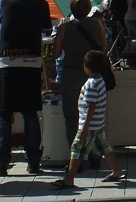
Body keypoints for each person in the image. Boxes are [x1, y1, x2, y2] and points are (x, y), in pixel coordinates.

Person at [0, 0, 51, 176]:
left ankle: (1, 164)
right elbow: (46, 27)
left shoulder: (7, 2)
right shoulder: (41, 5)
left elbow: (1, 20)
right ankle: (33, 162)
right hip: (31, 64)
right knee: (30, 113)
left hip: (7, 64)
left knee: (3, 115)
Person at [51, 50, 124, 189]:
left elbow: (91, 107)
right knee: (104, 147)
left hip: (89, 125)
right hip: (98, 123)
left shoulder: (91, 84)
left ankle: (69, 179)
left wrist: (85, 127)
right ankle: (117, 170)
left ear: (86, 67)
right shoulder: (101, 80)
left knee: (76, 148)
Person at [52, 0, 108, 149]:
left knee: (72, 117)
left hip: (71, 75)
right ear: (89, 8)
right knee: (95, 115)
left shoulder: (64, 28)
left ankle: (76, 154)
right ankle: (94, 153)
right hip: (94, 74)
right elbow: (104, 49)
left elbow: (55, 55)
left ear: (71, 9)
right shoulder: (98, 25)